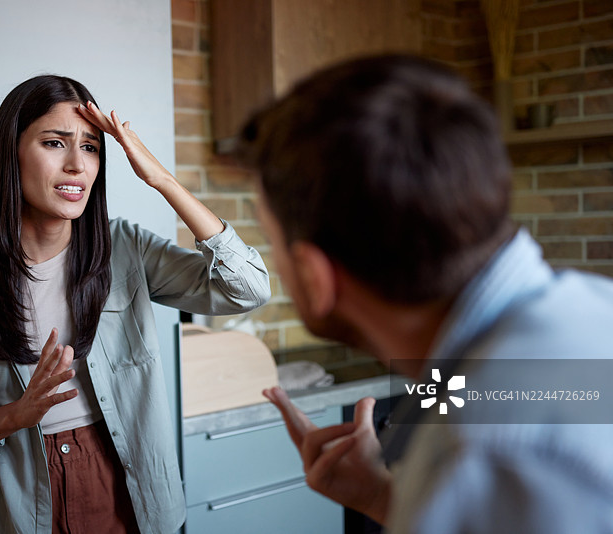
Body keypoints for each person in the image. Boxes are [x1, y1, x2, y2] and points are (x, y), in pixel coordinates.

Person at [238, 55, 613, 533]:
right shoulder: (590, 305)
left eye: (272, 243)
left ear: (315, 276)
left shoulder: (479, 450)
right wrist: (385, 498)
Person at [0, 74, 270, 534]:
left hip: (126, 485)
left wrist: (160, 178)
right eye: (55, 143)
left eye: (92, 147)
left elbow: (249, 288)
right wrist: (14, 415)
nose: (77, 164)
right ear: (10, 153)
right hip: (13, 505)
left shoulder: (126, 249)